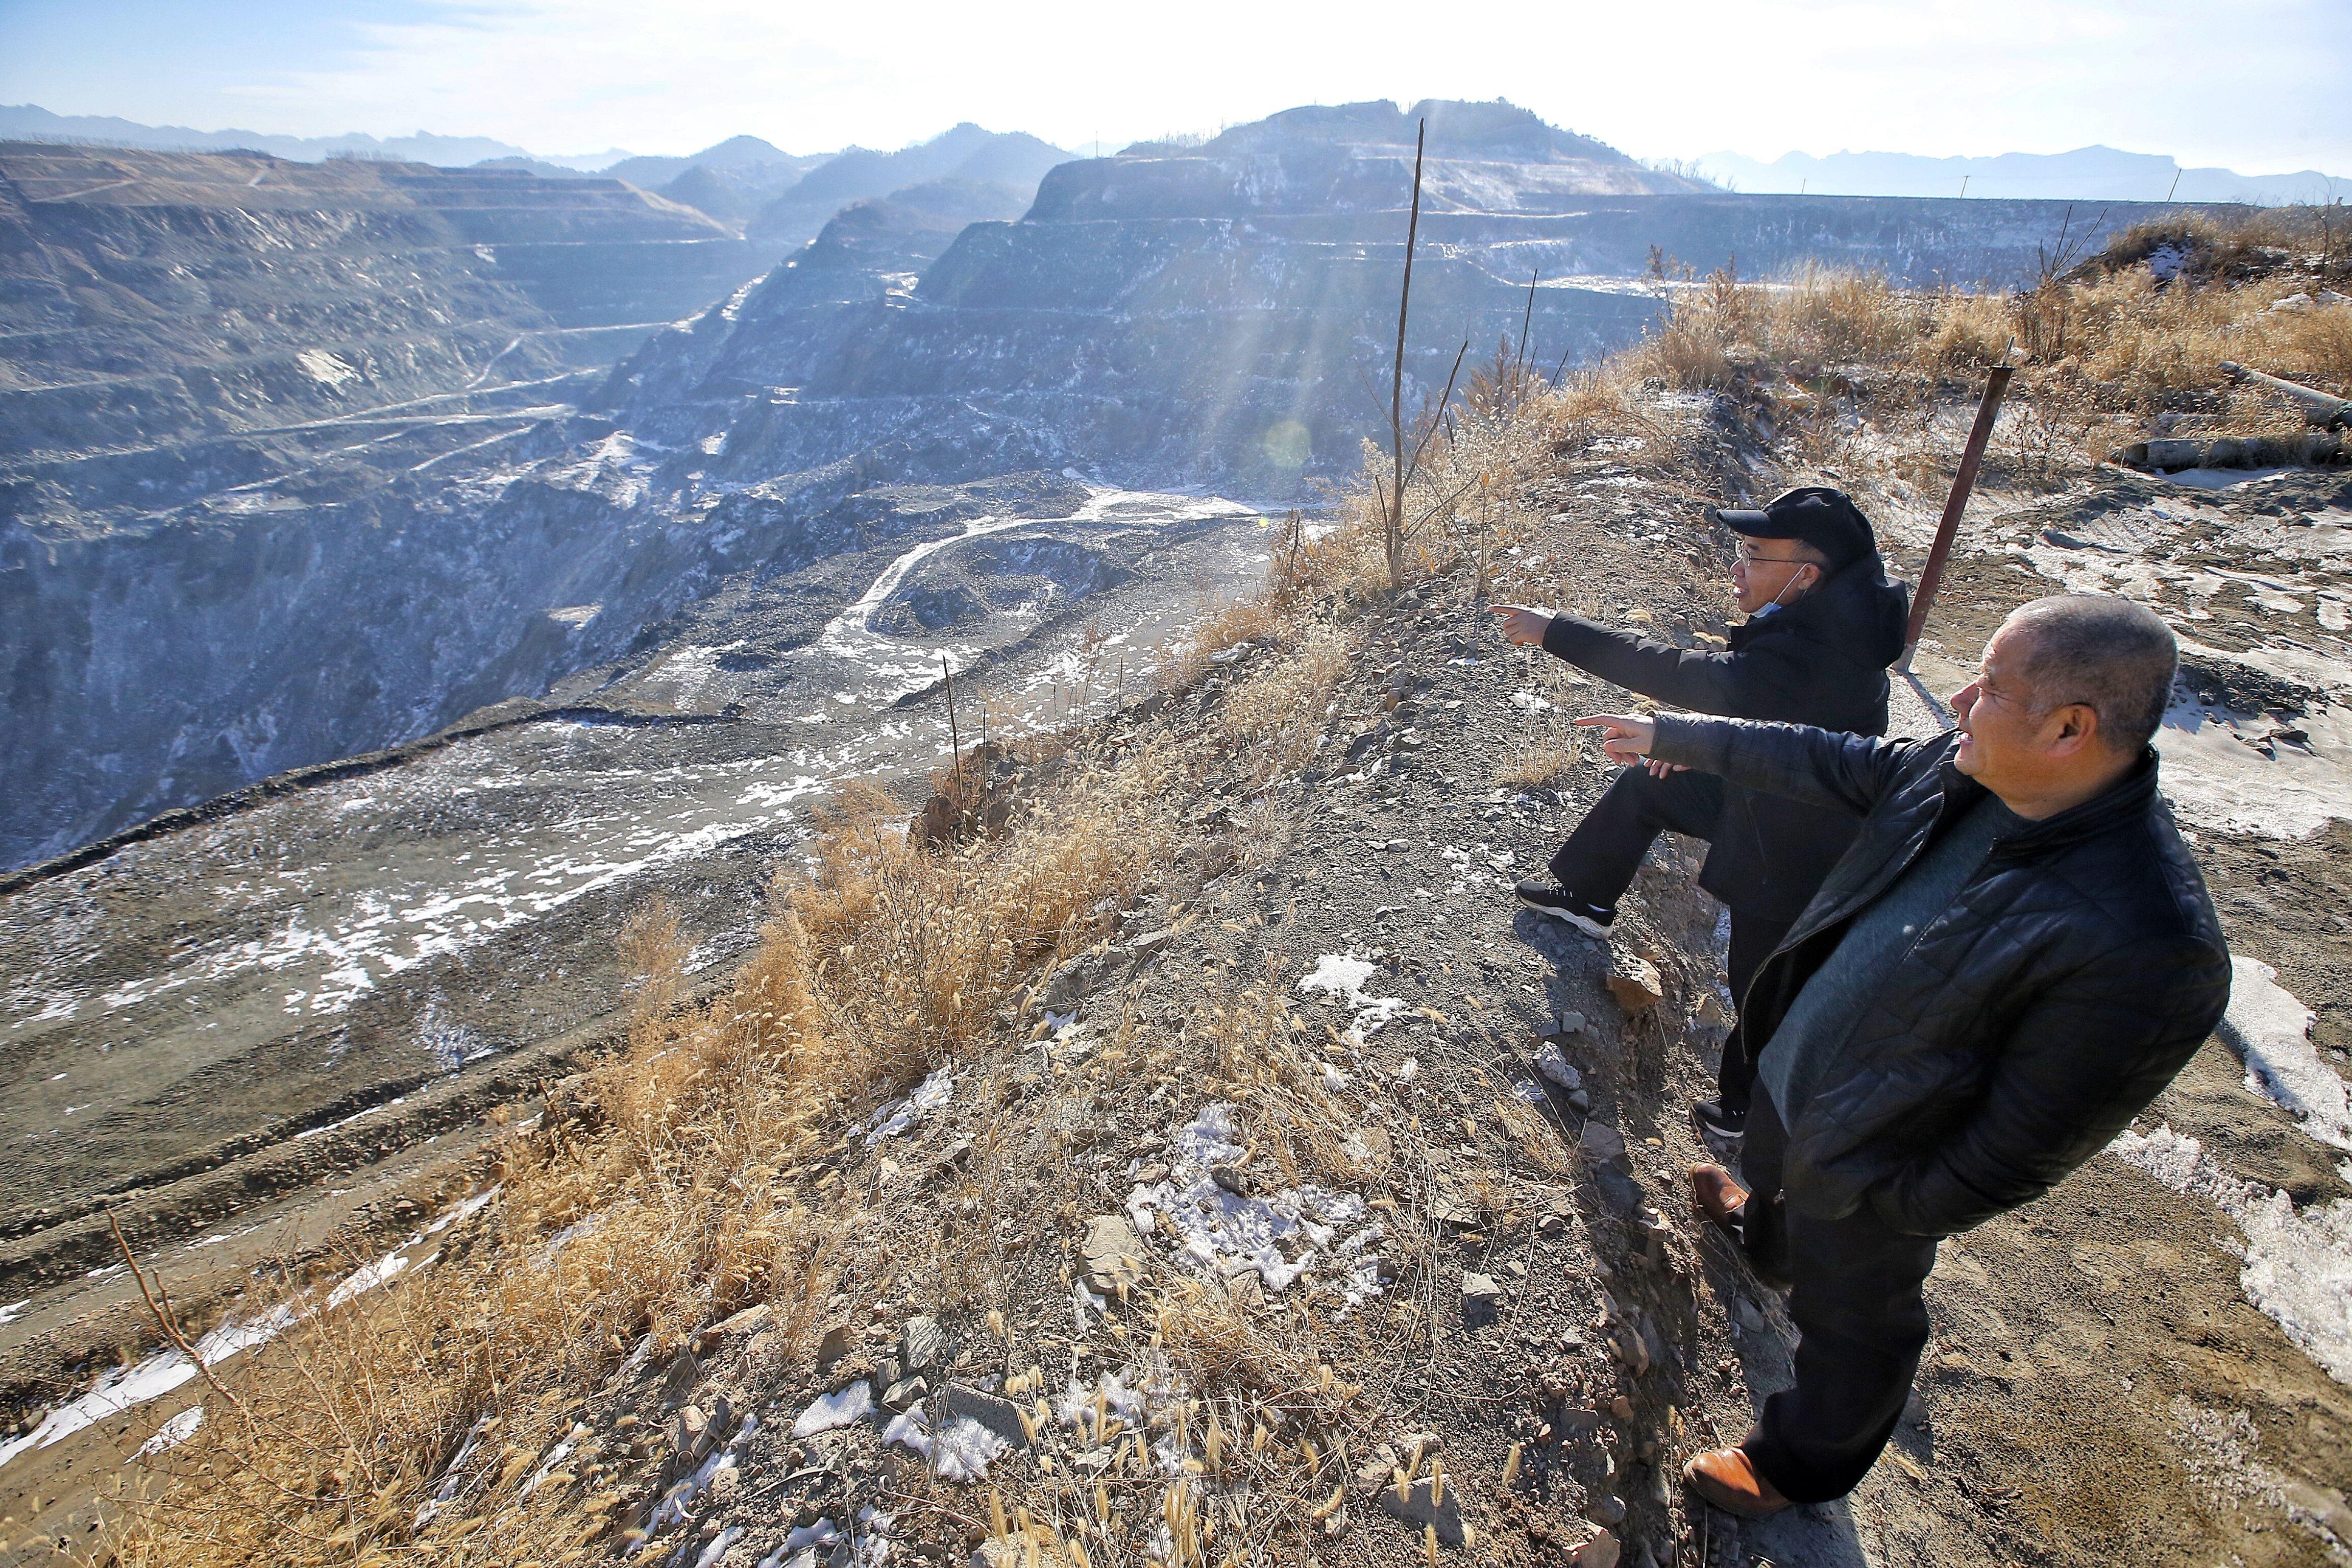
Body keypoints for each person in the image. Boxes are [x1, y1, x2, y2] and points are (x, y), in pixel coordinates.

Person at [1574, 594, 2230, 1518]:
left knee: (1859, 1322)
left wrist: (1883, 1205)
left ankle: (1797, 1466)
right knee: (1774, 1178)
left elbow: (2016, 1150)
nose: (1959, 700)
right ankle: (1768, 1232)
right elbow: (1827, 758)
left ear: (2070, 729)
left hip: (1876, 1167)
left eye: (1993, 687)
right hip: (1803, 1084)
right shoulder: (1969, 772)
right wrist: (1672, 732)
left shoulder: (2148, 941)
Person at [1490, 486, 1908, 1149]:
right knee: (1649, 786)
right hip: (1770, 783)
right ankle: (1588, 897)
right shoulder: (1835, 616)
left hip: (1798, 841)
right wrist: (1697, 748)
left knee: (1766, 987)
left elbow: (1686, 674)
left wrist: (1554, 630)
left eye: (1753, 555)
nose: (1736, 568)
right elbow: (1769, 713)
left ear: (1809, 574)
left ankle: (1751, 1117)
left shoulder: (1819, 649)